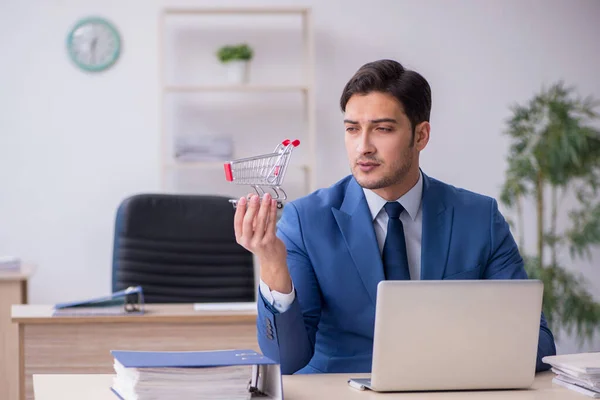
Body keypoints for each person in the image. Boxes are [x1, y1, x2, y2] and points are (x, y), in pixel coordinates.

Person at [233, 59, 556, 375]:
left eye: (382, 129)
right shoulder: (306, 220)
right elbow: (286, 360)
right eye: (352, 129)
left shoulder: (478, 217)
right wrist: (272, 263)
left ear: (421, 136)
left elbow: (537, 345)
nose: (363, 147)